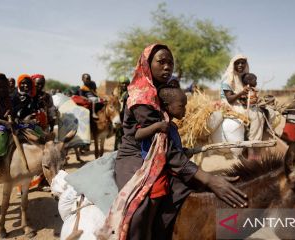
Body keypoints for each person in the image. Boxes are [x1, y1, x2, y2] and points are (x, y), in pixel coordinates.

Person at [100, 44, 247, 240]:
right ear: (147, 64)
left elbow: (166, 144)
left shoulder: (164, 91)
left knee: (187, 191)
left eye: (170, 63)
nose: (167, 67)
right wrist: (208, 178)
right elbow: (161, 146)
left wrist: (185, 156)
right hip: (136, 156)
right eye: (161, 62)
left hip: (160, 153)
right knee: (140, 205)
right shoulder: (141, 97)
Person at [220, 55, 265, 160]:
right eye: (238, 63)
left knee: (262, 112)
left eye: (243, 62)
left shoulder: (243, 77)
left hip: (240, 102)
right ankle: (252, 144)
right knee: (254, 115)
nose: (240, 65)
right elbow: (229, 99)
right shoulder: (228, 79)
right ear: (233, 64)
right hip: (230, 104)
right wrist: (242, 93)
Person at [114, 75, 130, 150]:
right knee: (117, 134)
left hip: (126, 117)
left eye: (126, 83)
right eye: (122, 83)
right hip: (118, 116)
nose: (124, 85)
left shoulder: (129, 93)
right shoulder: (116, 93)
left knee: (124, 134)